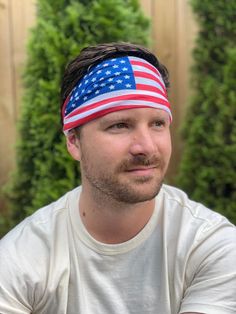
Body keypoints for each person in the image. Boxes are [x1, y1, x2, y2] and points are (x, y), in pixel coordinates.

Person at [0, 42, 235, 314]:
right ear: (74, 142)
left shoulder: (210, 245)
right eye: (120, 125)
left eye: (157, 123)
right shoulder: (21, 259)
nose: (146, 146)